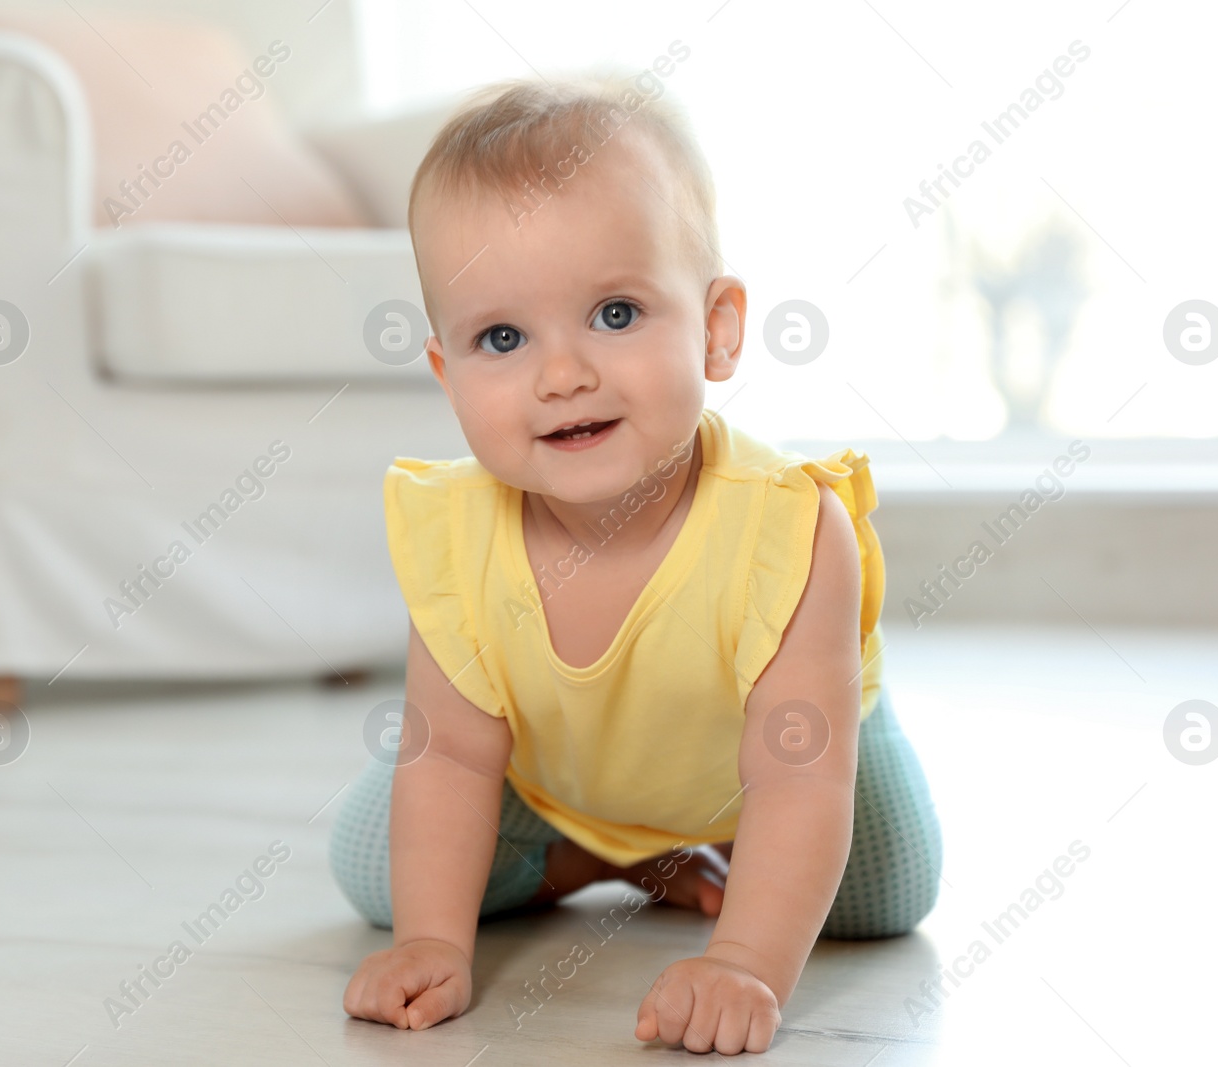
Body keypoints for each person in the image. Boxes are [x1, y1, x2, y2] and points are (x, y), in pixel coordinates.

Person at [331, 74, 941, 1056]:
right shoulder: (456, 533)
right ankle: (602, 858)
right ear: (446, 371)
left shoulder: (785, 528)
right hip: (563, 764)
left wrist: (742, 959)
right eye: (501, 336)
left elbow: (797, 776)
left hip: (771, 767)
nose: (561, 373)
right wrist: (431, 941)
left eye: (615, 314)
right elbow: (448, 752)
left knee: (880, 890)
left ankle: (720, 853)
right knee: (371, 864)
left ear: (718, 327)